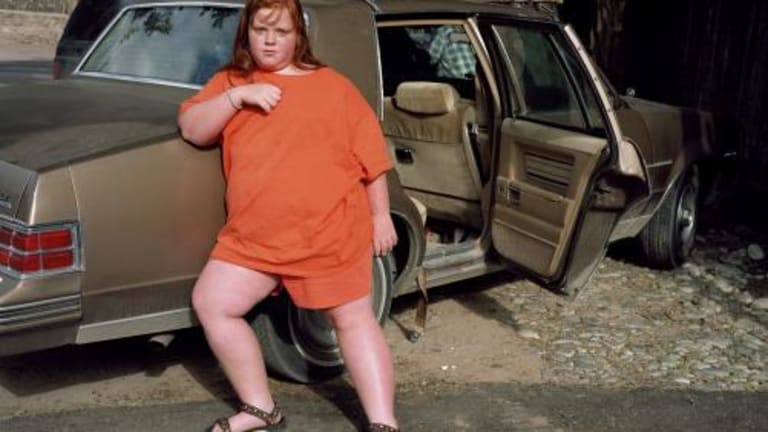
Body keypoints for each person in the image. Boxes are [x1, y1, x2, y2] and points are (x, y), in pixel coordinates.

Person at [177, 1, 399, 431]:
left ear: (299, 36)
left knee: (352, 321)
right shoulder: (232, 81)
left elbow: (372, 160)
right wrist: (235, 97)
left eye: (281, 31)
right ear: (247, 33)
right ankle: (260, 410)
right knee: (213, 303)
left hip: (329, 232)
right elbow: (192, 127)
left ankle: (383, 423)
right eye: (261, 30)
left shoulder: (334, 87)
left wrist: (381, 215)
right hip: (254, 238)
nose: (271, 40)